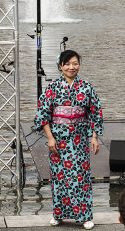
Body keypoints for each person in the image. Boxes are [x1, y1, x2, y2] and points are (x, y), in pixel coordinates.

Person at [34, 50, 104, 230]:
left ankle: (85, 216)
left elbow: (95, 113)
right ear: (60, 66)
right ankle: (59, 214)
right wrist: (50, 138)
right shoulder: (52, 87)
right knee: (59, 177)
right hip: (58, 140)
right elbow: (43, 114)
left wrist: (94, 137)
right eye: (67, 64)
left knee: (81, 178)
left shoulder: (86, 87)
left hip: (79, 140)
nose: (71, 67)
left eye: (75, 63)